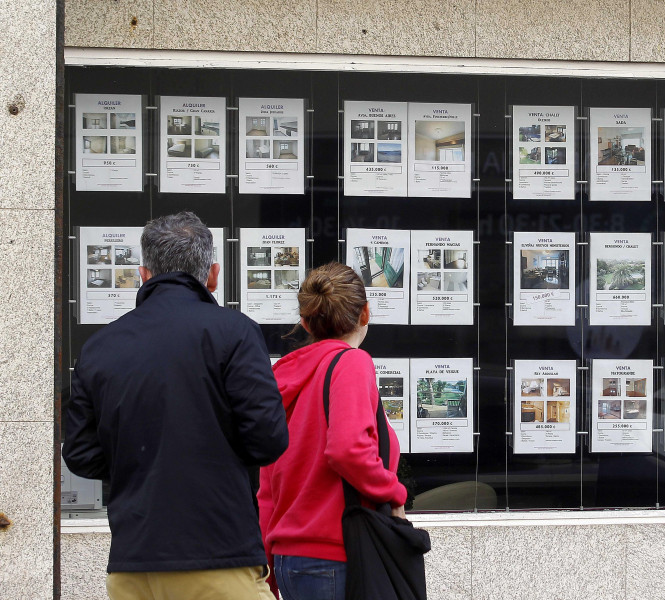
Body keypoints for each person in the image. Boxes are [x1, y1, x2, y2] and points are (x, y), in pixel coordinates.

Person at [63, 211, 289, 600]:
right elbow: (268, 439)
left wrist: (139, 464)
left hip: (132, 564)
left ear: (143, 274)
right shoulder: (235, 332)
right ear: (213, 274)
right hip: (219, 556)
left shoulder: (99, 347)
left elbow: (81, 454)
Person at [258, 262, 408, 600]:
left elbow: (269, 485)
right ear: (365, 313)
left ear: (306, 321)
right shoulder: (352, 363)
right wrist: (393, 492)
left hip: (289, 558)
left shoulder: (285, 377)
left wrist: (268, 566)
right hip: (336, 555)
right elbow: (347, 449)